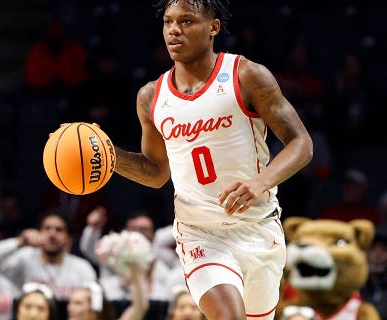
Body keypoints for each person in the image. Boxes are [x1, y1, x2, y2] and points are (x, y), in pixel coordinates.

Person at [107, 1, 314, 319]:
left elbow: (302, 144)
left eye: (186, 21)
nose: (174, 30)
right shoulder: (151, 96)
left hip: (258, 230)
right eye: (168, 22)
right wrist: (110, 157)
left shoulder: (247, 75)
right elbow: (156, 172)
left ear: (213, 28)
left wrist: (261, 182)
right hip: (199, 232)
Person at [0, 213, 97, 300]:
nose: (52, 234)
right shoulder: (26, 258)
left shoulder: (82, 268)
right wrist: (19, 243)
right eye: (47, 228)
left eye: (59, 230)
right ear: (39, 232)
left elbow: (93, 302)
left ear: (69, 239)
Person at [79, 208, 183, 301]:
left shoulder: (161, 257)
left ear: (153, 235)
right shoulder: (112, 252)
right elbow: (90, 249)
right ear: (125, 231)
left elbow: (168, 293)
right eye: (133, 229)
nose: (138, 234)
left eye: (144, 229)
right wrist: (93, 228)